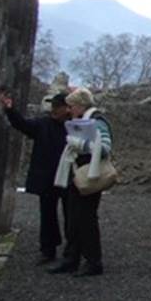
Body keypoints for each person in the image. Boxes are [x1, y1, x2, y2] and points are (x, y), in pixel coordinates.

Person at [0, 91, 70, 264]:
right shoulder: (43, 124)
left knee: (71, 215)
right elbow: (21, 124)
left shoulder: (72, 124)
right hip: (47, 178)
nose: (68, 111)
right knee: (47, 215)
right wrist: (10, 109)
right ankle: (48, 249)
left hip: (67, 176)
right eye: (65, 107)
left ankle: (72, 250)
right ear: (57, 108)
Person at [49, 87, 112, 277]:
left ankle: (93, 261)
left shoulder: (98, 122)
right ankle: (72, 258)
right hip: (77, 173)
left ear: (81, 105)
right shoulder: (80, 121)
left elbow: (105, 148)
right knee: (74, 219)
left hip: (89, 175)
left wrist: (81, 144)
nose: (69, 110)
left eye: (72, 106)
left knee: (86, 219)